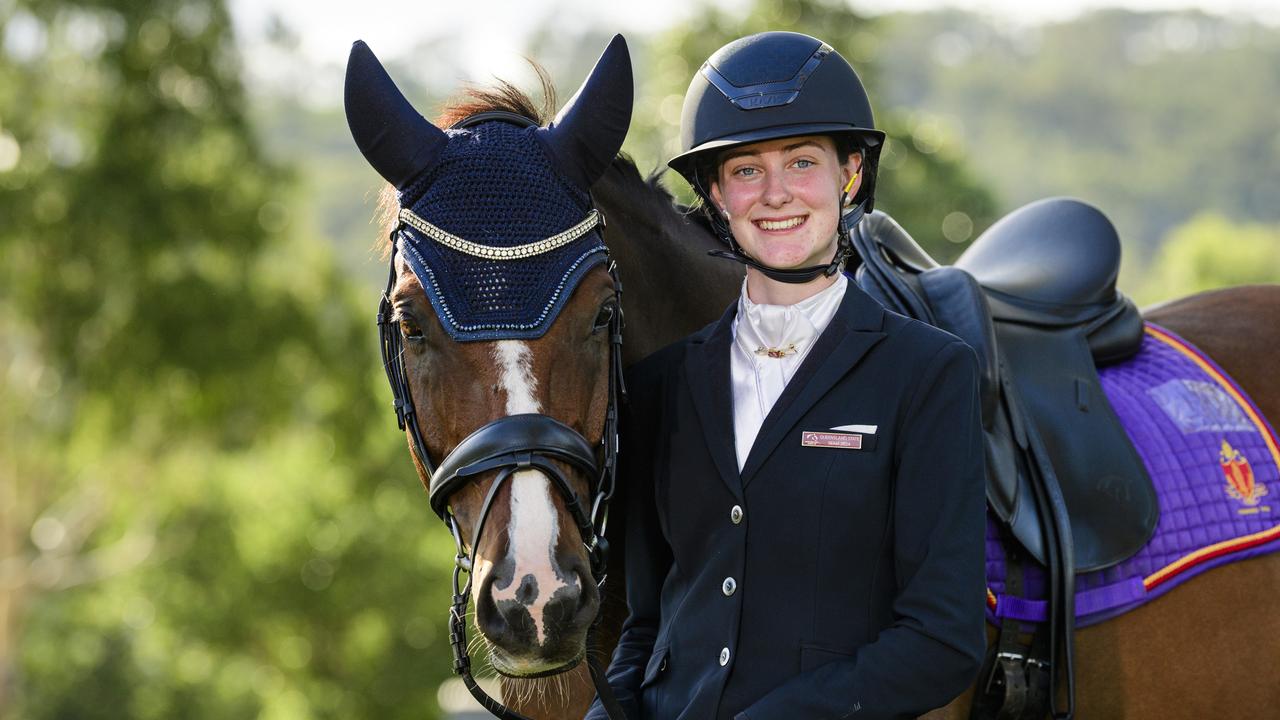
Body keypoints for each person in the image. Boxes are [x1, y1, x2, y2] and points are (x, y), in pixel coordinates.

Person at [586, 31, 986, 720]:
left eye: (802, 163)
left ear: (850, 175)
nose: (775, 196)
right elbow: (647, 631)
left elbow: (943, 639)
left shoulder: (929, 373)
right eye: (746, 171)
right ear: (715, 193)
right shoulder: (660, 388)